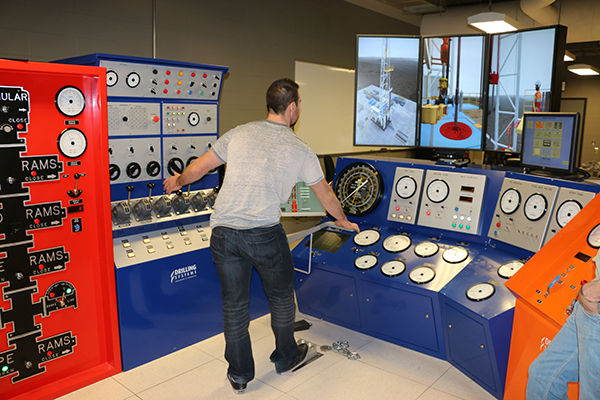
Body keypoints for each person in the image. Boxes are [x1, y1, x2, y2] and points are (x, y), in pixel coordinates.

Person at [163, 78, 359, 394]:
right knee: (281, 297)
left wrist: (178, 181)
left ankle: (239, 375)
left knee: (234, 305)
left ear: (269, 104)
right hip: (264, 233)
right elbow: (325, 195)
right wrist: (344, 221)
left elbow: (198, 169)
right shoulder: (300, 149)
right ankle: (286, 357)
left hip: (224, 232)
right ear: (293, 108)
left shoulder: (238, 132)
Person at [526, 249, 600, 399]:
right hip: (588, 306)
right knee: (542, 375)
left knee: (591, 394)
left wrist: (593, 293)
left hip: (593, 302)